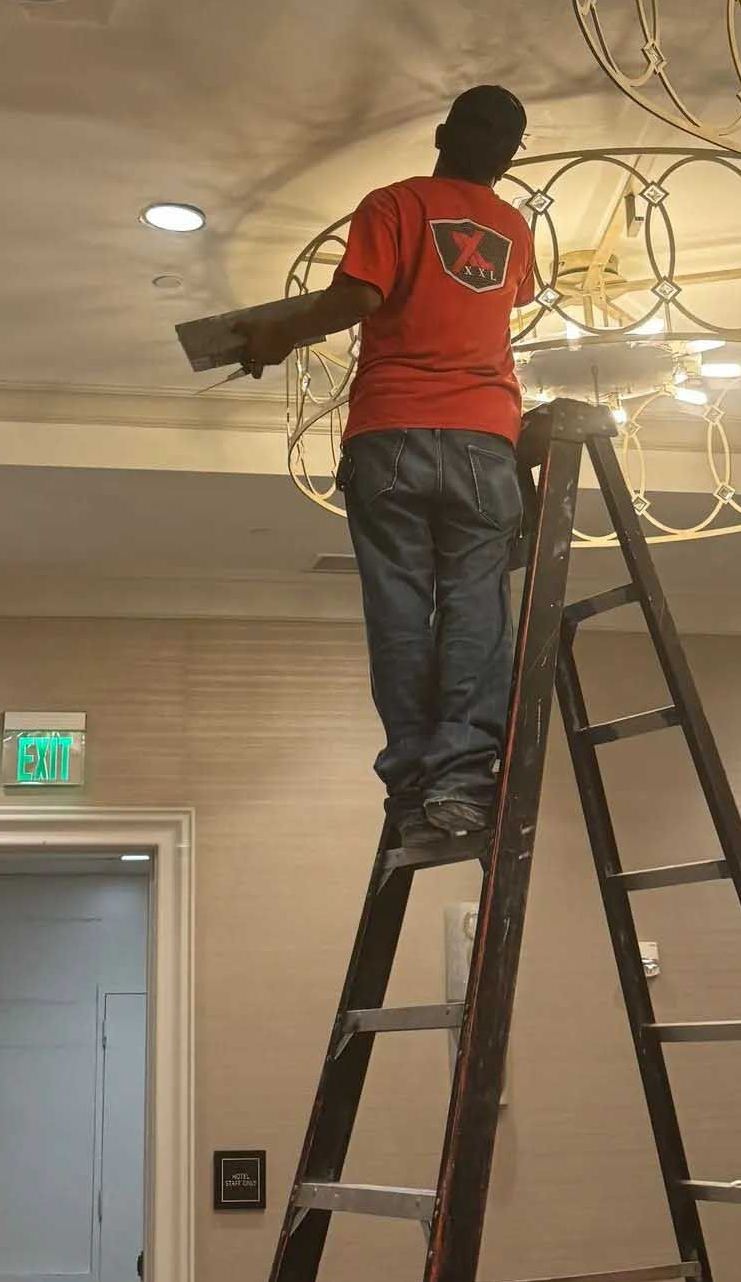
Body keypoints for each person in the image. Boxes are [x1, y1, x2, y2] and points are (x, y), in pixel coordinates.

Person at [228, 87, 534, 841]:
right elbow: (508, 297)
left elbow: (359, 295)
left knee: (399, 605)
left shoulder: (395, 203)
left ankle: (409, 779)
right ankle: (459, 781)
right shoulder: (513, 229)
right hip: (485, 437)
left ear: (440, 133)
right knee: (475, 602)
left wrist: (275, 335)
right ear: (512, 156)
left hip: (390, 431)